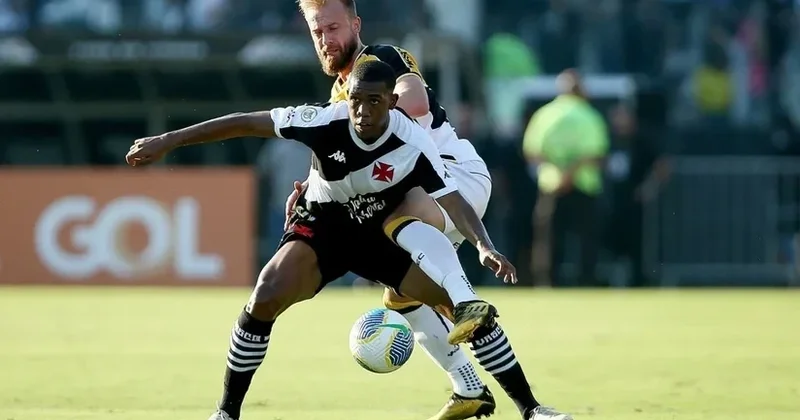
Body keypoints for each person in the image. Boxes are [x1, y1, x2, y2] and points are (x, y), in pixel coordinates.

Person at [126, 60, 569, 420]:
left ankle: (532, 410)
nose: (361, 112)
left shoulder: (412, 140)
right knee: (265, 295)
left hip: (377, 233)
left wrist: (484, 245)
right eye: (356, 101)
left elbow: (450, 198)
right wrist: (166, 141)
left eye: (373, 102)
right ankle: (226, 413)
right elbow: (246, 123)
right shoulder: (325, 121)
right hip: (324, 226)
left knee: (463, 311)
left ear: (392, 103)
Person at [286, 2, 572, 420]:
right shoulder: (339, 98)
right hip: (424, 192)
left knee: (397, 227)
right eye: (318, 32)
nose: (327, 40)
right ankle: (471, 387)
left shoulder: (381, 59)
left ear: (355, 25)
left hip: (454, 175)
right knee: (402, 293)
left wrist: (381, 112)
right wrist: (309, 191)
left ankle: (467, 306)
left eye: (334, 27)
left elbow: (416, 101)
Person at [523, 69, 608, 287]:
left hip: (551, 184)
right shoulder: (589, 115)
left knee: (549, 240)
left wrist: (559, 173)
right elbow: (597, 154)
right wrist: (572, 173)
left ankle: (547, 283)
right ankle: (586, 282)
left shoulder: (544, 115)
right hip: (584, 185)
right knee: (586, 241)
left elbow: (532, 152)